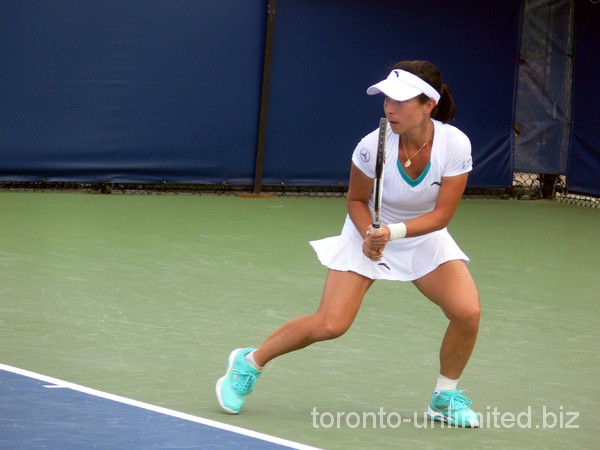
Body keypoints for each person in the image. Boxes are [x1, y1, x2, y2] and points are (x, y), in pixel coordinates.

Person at [216, 60, 481, 428]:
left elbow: (441, 216)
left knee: (467, 313)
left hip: (422, 235)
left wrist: (394, 234)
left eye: (402, 101)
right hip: (369, 233)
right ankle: (248, 363)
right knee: (331, 324)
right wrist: (370, 237)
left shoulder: (454, 144)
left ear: (428, 105)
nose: (390, 108)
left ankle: (444, 397)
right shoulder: (372, 146)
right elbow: (357, 201)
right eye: (387, 98)